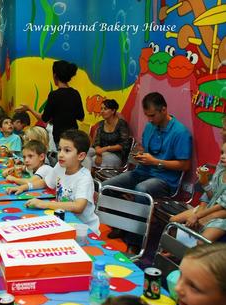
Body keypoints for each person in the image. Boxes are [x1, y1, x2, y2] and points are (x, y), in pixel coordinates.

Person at [103, 92, 192, 241]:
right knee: (107, 186)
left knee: (142, 190)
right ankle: (120, 226)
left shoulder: (180, 132)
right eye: (147, 116)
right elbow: (144, 149)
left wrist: (155, 162)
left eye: (152, 115)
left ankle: (134, 240)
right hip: (142, 171)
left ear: (164, 109)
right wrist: (140, 154)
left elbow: (185, 165)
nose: (149, 120)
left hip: (165, 179)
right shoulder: (150, 126)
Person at [7, 129, 100, 234]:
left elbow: (78, 206)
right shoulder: (60, 166)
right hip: (64, 220)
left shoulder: (84, 178)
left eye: (67, 150)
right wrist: (24, 187)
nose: (60, 154)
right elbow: (45, 182)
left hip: (84, 229)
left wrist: (44, 204)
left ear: (81, 156)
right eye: (60, 149)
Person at [16, 60, 84, 145]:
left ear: (55, 75)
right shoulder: (75, 93)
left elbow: (44, 118)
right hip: (74, 137)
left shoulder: (54, 95)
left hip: (60, 138)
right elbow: (81, 117)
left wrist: (29, 108)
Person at [170, 142, 226, 243]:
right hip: (210, 208)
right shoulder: (221, 170)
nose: (223, 156)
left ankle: (186, 254)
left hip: (221, 218)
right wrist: (204, 183)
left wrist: (198, 216)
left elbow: (221, 206)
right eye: (222, 152)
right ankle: (175, 251)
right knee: (173, 222)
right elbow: (211, 196)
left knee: (200, 242)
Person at [85, 99, 130, 169]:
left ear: (113, 111)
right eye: (101, 109)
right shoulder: (101, 124)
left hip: (115, 154)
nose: (102, 111)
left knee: (92, 160)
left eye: (105, 109)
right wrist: (99, 153)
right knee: (82, 154)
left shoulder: (121, 124)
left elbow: (123, 145)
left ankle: (89, 177)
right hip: (100, 151)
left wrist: (105, 149)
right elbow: (96, 142)